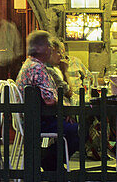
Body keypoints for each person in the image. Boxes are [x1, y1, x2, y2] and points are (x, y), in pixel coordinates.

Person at [16, 31, 80, 168]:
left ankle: (50, 162)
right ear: (41, 49)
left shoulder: (30, 64)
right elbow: (50, 100)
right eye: (49, 45)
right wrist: (65, 110)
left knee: (72, 126)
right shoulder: (37, 68)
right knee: (77, 130)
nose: (51, 49)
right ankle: (48, 161)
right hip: (36, 120)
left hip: (31, 116)